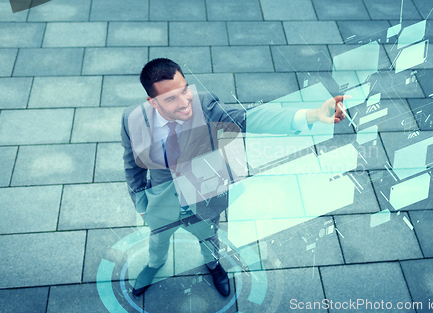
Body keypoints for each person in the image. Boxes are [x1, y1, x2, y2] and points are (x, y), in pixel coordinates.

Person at [120, 58, 348, 298]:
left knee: (209, 238)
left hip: (203, 200)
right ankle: (154, 266)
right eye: (170, 98)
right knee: (158, 241)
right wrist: (141, 203)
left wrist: (311, 115)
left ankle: (213, 266)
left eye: (185, 90)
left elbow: (250, 118)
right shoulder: (131, 119)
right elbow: (131, 164)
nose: (184, 102)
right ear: (153, 102)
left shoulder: (206, 107)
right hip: (162, 204)